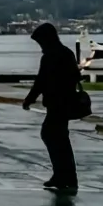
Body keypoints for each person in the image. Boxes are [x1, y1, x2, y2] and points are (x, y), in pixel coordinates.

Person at [23, 22, 81, 190]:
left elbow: (40, 81)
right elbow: (76, 76)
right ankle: (65, 175)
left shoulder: (50, 56)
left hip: (57, 103)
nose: (40, 45)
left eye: (40, 42)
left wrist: (29, 99)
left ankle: (64, 175)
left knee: (52, 136)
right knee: (60, 138)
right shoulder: (66, 53)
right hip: (65, 102)